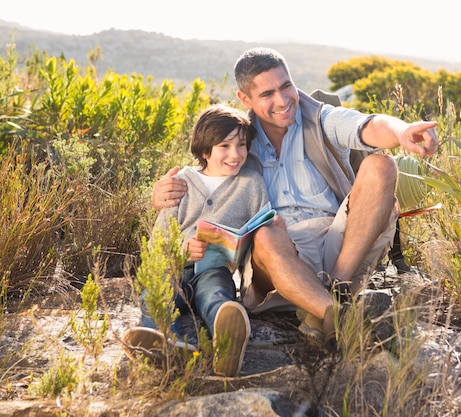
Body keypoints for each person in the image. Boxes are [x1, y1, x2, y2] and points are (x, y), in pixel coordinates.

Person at [152, 47, 438, 349]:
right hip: (277, 263)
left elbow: (366, 125)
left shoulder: (319, 118)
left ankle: (334, 295)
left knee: (382, 165)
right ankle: (335, 316)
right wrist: (161, 196)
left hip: (342, 249)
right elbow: (203, 182)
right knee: (265, 234)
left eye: (286, 86)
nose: (283, 100)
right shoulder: (238, 143)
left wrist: (403, 130)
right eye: (267, 94)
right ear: (245, 99)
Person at [126, 104, 268, 377]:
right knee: (156, 296)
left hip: (215, 269)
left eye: (241, 145)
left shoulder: (251, 183)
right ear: (205, 151)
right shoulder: (181, 182)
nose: (236, 154)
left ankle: (227, 339)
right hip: (173, 267)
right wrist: (182, 249)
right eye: (224, 146)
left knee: (215, 295)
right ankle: (166, 343)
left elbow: (260, 229)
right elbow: (160, 241)